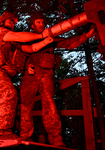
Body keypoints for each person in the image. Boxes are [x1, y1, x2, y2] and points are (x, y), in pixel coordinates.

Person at [0, 11, 54, 140]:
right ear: (2, 22)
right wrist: (41, 35)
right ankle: (3, 133)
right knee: (9, 93)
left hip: (1, 74)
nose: (13, 24)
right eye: (11, 21)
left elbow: (30, 48)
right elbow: (20, 36)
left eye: (14, 23)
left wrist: (45, 41)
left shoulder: (12, 43)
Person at [19, 12, 95, 147]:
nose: (41, 24)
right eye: (38, 22)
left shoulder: (51, 38)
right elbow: (19, 53)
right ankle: (25, 136)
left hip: (46, 74)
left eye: (42, 22)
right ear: (32, 25)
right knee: (26, 105)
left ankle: (56, 138)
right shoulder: (27, 38)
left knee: (49, 103)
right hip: (29, 75)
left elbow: (69, 42)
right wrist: (26, 66)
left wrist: (86, 36)